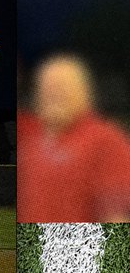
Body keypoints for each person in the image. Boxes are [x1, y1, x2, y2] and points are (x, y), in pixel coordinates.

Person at [19, 53, 130, 222]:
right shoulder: (32, 137)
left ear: (83, 92)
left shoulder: (106, 139)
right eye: (47, 88)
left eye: (62, 87)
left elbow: (116, 214)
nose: (53, 94)